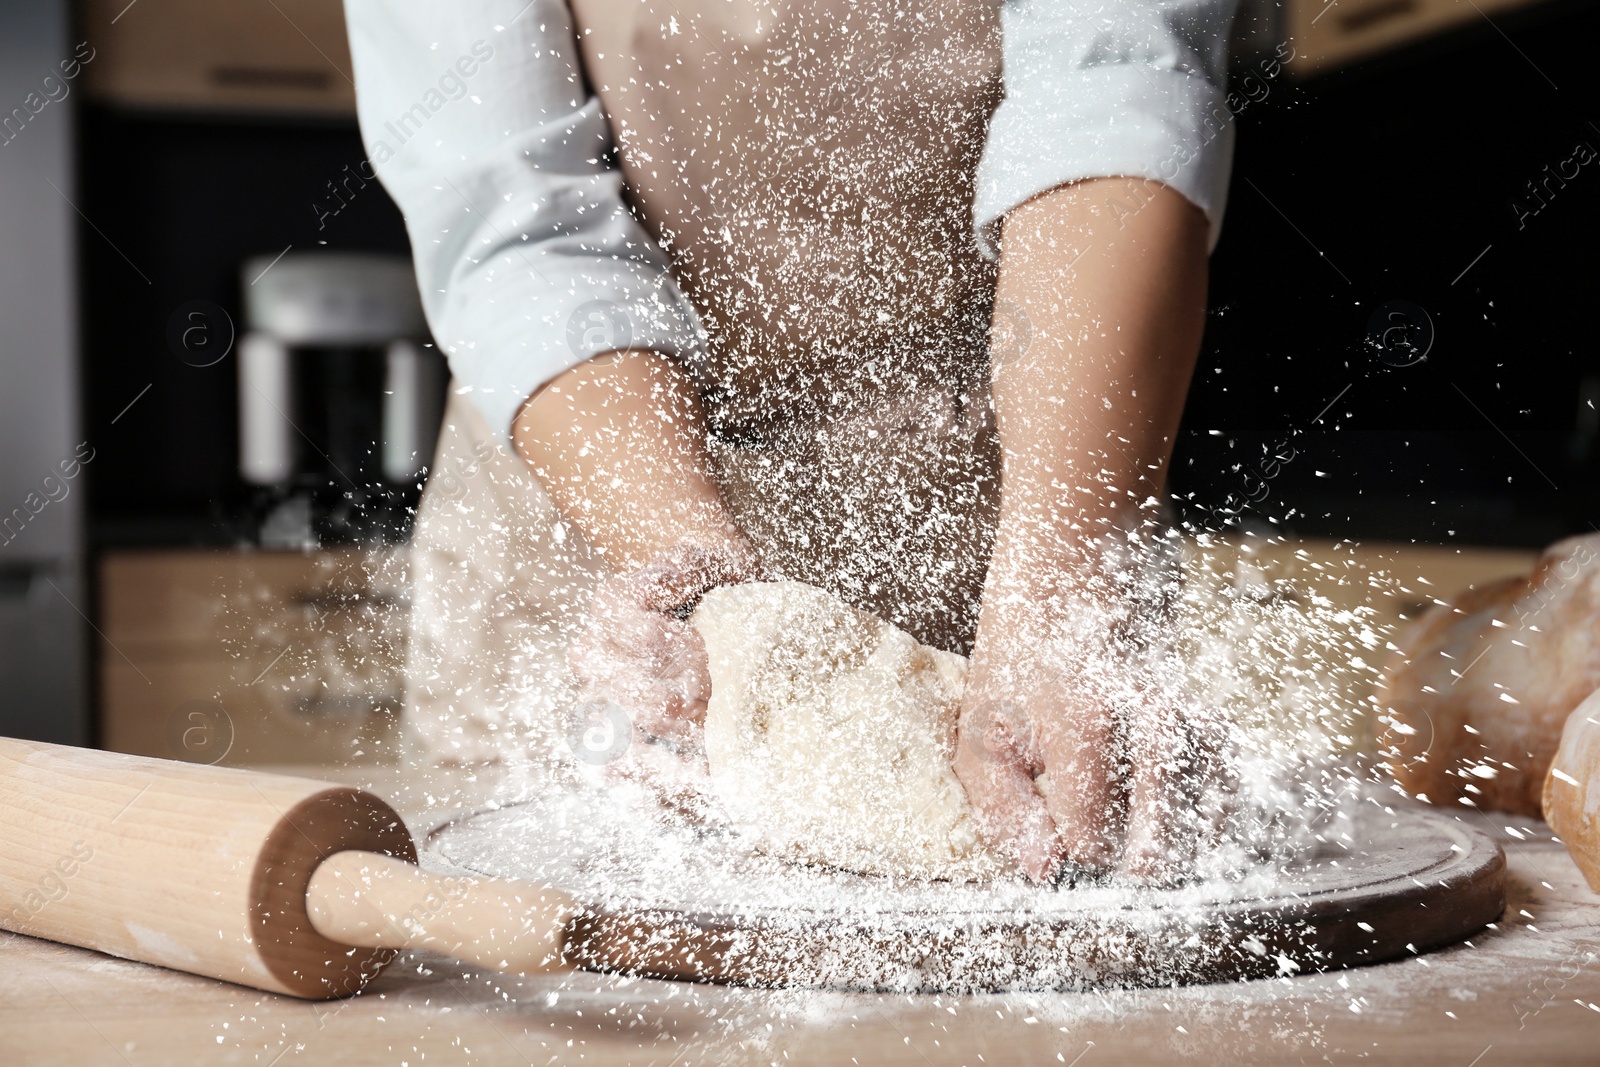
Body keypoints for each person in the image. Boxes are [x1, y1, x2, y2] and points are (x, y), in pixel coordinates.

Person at [345, 0, 1240, 882]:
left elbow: (1112, 81)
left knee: (1070, 915)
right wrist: (698, 587)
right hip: (599, 480)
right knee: (550, 943)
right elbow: (522, 230)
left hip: (1029, 463)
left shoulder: (1050, 537)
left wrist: (1058, 589)